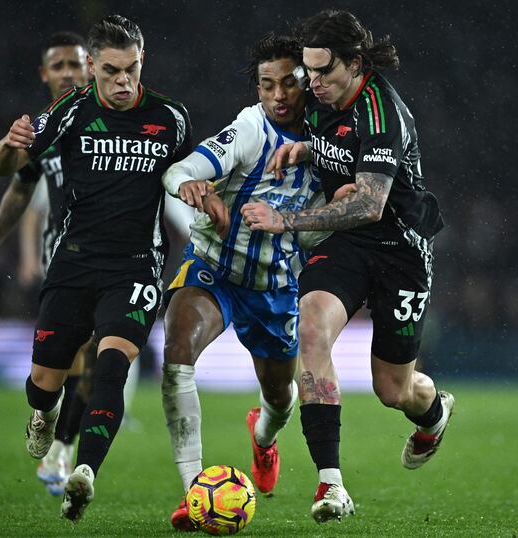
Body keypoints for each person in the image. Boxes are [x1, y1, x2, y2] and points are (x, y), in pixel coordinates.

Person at [241, 9, 455, 524]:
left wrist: (285, 219)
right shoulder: (320, 102)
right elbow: (333, 153)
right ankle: (330, 485)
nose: (311, 85)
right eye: (307, 73)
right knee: (312, 327)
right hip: (347, 246)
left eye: (323, 73)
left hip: (400, 249)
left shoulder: (382, 112)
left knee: (393, 390)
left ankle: (434, 414)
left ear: (355, 64)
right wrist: (305, 148)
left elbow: (369, 204)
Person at [0, 14, 192, 522]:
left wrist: (202, 193)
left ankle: (85, 472)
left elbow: (193, 172)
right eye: (112, 71)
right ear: (94, 68)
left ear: (141, 60)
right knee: (45, 382)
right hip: (74, 264)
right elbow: (5, 169)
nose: (124, 82)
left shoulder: (170, 117)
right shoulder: (69, 111)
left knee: (111, 367)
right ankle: (45, 411)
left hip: (136, 268)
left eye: (132, 69)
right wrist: (9, 144)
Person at [159, 33, 334, 532]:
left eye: (289, 84)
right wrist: (192, 183)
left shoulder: (334, 139)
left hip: (275, 286)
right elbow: (182, 169)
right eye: (266, 84)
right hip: (214, 268)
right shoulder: (250, 128)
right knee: (177, 357)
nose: (277, 95)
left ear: (309, 84)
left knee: (279, 400)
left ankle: (262, 438)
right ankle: (194, 492)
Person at [0, 31, 96, 496]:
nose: (68, 72)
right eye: (58, 66)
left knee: (91, 351)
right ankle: (48, 419)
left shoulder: (115, 115)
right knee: (58, 366)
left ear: (91, 67)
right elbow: (17, 184)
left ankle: (62, 450)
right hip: (61, 258)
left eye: (76, 64)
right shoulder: (43, 127)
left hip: (112, 261)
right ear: (44, 74)